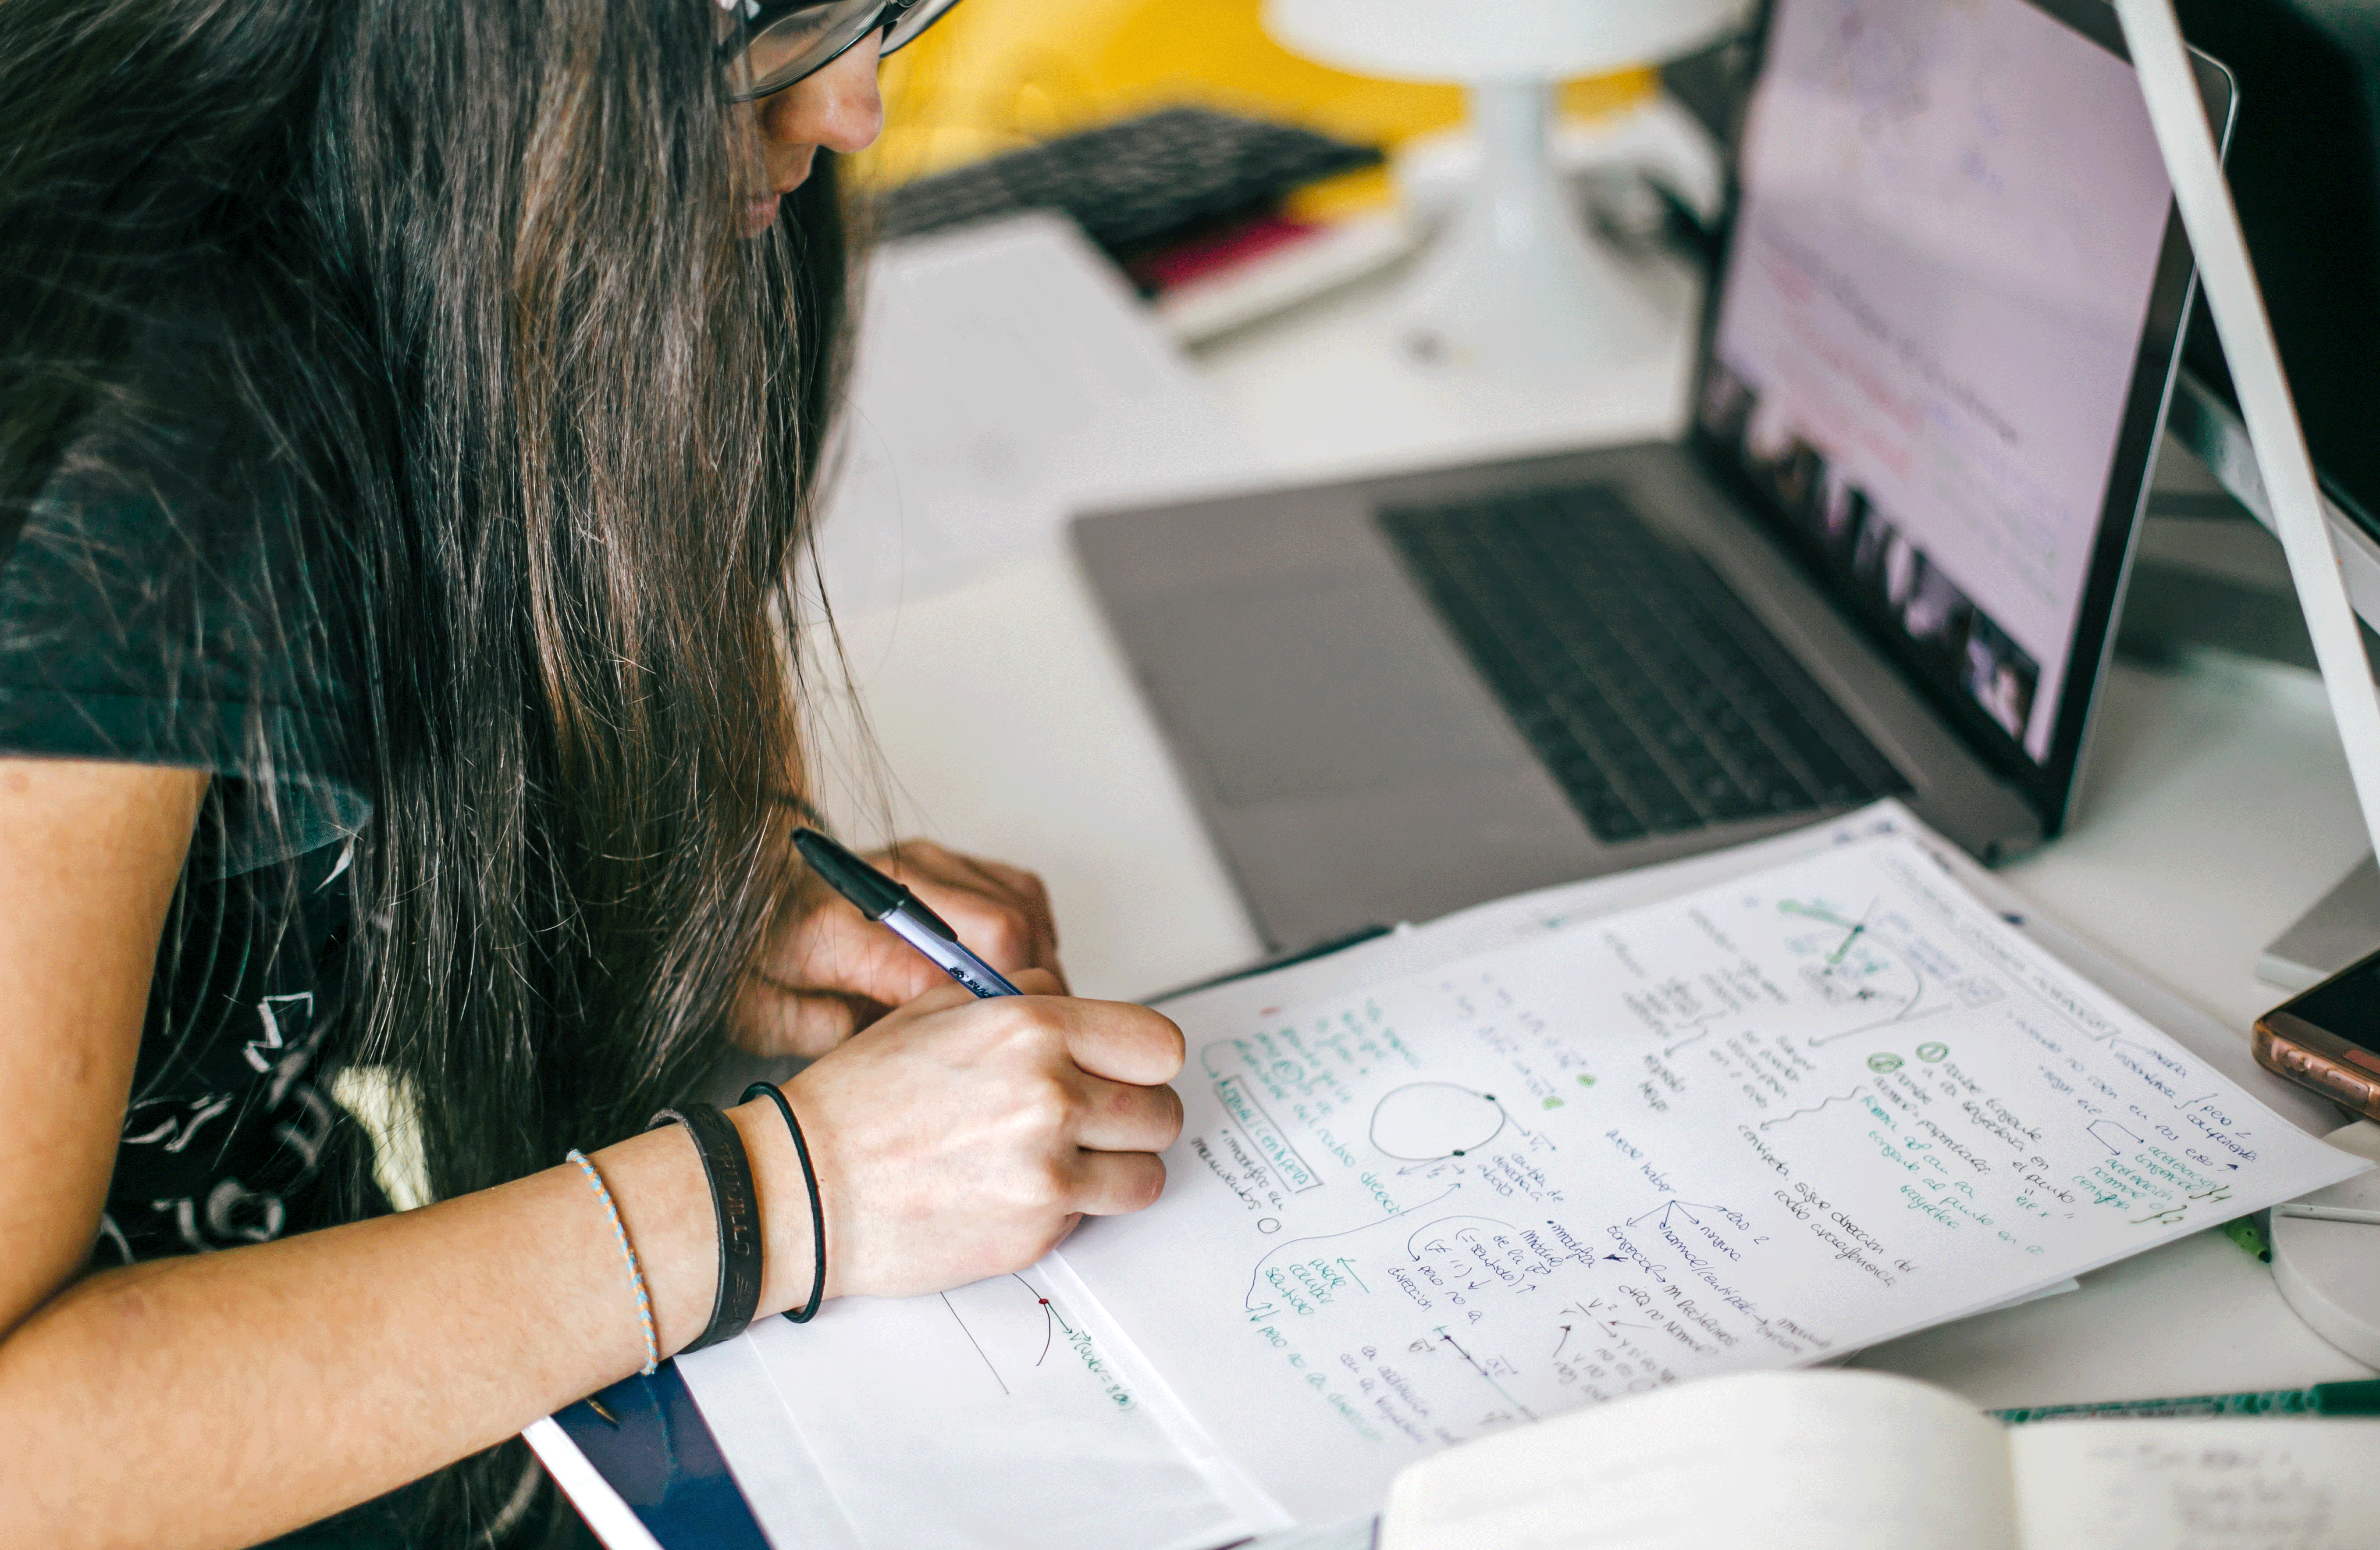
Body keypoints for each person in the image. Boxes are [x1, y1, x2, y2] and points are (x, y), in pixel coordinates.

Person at [0, 2, 1188, 1545]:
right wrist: (791, 1192)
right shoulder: (129, 457)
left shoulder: (460, 225)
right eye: (784, 19)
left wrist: (721, 883)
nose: (853, 109)